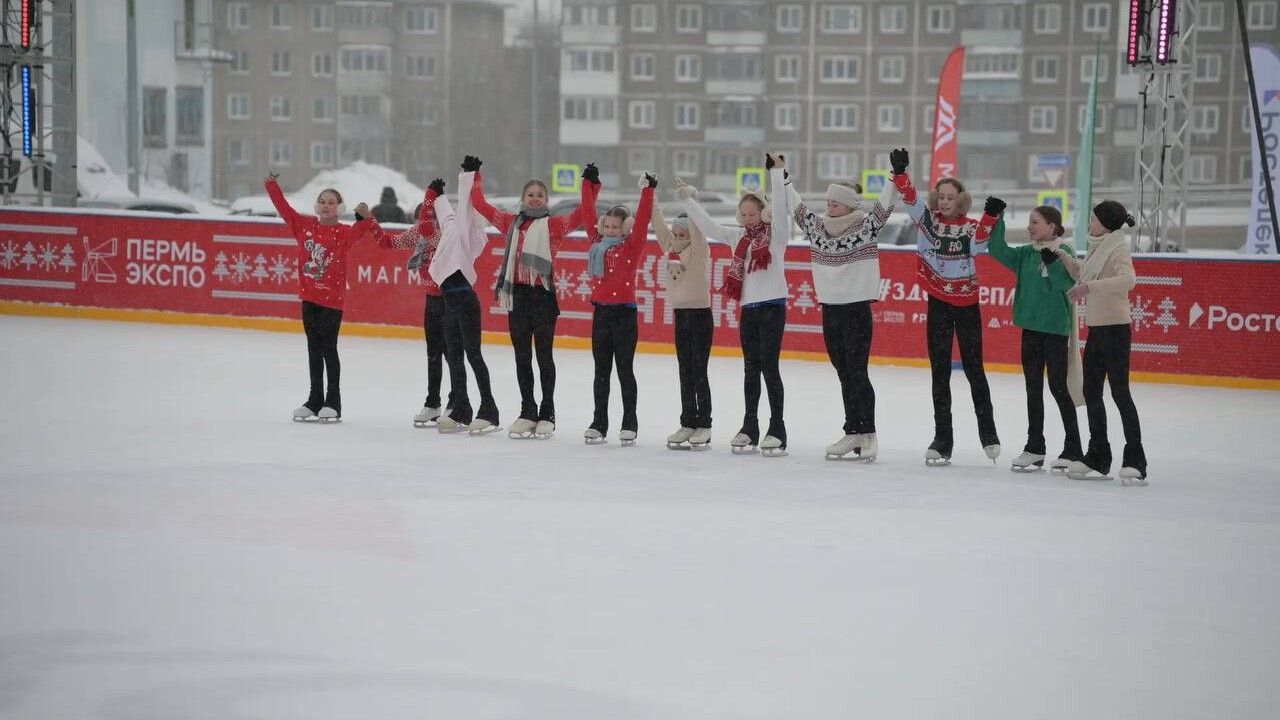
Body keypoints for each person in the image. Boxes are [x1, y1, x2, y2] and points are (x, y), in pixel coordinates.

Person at [470, 158, 601, 439]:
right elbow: (481, 205)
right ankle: (527, 410)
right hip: (517, 296)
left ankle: (547, 412)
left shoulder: (554, 226)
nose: (535, 198)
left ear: (546, 200)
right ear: (523, 198)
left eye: (540, 195)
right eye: (531, 194)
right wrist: (474, 174)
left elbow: (583, 214)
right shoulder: (510, 223)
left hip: (541, 296)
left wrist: (590, 184)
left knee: (544, 356)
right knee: (521, 357)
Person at [887, 148, 1002, 466]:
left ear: (961, 200)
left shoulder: (971, 227)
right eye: (941, 196)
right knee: (939, 372)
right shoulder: (927, 222)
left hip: (967, 305)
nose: (945, 201)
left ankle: (988, 433)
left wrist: (992, 216)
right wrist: (901, 173)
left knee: (974, 370)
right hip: (938, 302)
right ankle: (943, 439)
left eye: (951, 197)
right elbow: (910, 199)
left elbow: (981, 243)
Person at [682, 153, 792, 456]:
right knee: (750, 370)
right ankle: (749, 426)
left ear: (763, 213)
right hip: (749, 311)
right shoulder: (738, 239)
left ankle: (777, 428)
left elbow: (781, 207)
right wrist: (688, 201)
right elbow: (708, 226)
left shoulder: (777, 235)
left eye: (752, 214)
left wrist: (777, 172)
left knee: (770, 368)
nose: (746, 219)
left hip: (772, 307)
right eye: (742, 214)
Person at [783, 172, 895, 462]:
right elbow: (796, 207)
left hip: (856, 308)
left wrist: (895, 177)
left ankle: (868, 432)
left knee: (857, 371)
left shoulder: (866, 227)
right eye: (828, 201)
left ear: (848, 206)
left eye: (835, 202)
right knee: (843, 371)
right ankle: (853, 431)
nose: (829, 205)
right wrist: (782, 179)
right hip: (830, 308)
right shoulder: (817, 228)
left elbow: (884, 207)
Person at [265, 172, 374, 422]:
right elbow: (283, 208)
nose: (326, 205)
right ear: (317, 206)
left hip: (332, 302)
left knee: (328, 349)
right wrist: (271, 185)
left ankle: (333, 402)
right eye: (322, 201)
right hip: (309, 299)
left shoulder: (344, 233)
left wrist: (367, 215)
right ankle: (315, 400)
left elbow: (365, 225)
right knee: (313, 350)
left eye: (331, 202)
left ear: (339, 209)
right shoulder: (304, 226)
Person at [985, 205, 1085, 472]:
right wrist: (998, 219)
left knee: (1057, 387)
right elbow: (997, 250)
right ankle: (1035, 448)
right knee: (1033, 389)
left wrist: (1053, 264)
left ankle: (1073, 447)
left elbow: (1067, 286)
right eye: (1029, 222)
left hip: (1054, 330)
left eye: (1035, 222)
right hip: (1030, 328)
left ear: (1052, 226)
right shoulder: (1027, 253)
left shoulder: (1064, 252)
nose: (1030, 227)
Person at [1055, 200, 1148, 485]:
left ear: (1105, 223)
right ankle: (1098, 454)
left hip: (1116, 330)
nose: (1090, 224)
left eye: (1093, 219)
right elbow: (1085, 273)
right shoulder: (1099, 246)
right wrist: (1063, 257)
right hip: (1097, 329)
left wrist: (1089, 288)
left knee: (1120, 393)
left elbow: (1128, 280)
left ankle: (1135, 459)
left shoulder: (1117, 247)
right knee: (1091, 391)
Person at [361, 179, 453, 428]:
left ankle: (456, 403)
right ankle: (433, 403)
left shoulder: (448, 235)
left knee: (452, 354)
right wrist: (369, 219)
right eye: (424, 218)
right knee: (433, 354)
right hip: (432, 301)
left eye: (433, 217)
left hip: (453, 301)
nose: (428, 223)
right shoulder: (417, 235)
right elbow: (387, 243)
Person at [582, 173, 657, 445]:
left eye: (616, 227)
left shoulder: (632, 247)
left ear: (626, 228)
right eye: (608, 226)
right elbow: (588, 211)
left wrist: (648, 192)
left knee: (625, 369)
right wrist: (588, 185)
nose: (611, 231)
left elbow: (645, 220)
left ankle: (629, 422)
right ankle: (599, 422)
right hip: (601, 314)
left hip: (624, 315)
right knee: (601, 371)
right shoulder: (596, 245)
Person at [427, 159, 501, 435]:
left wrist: (470, 175)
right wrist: (438, 195)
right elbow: (447, 216)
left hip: (465, 301)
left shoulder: (468, 234)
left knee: (472, 355)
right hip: (449, 301)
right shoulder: (450, 230)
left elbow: (464, 211)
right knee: (454, 357)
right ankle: (462, 407)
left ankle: (489, 409)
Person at [654, 183, 712, 450]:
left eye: (682, 232)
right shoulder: (671, 249)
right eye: (675, 232)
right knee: (684, 371)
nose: (677, 236)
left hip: (700, 316)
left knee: (699, 371)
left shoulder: (699, 251)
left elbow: (698, 228)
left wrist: (692, 199)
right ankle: (688, 421)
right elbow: (658, 226)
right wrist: (650, 195)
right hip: (681, 315)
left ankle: (704, 425)